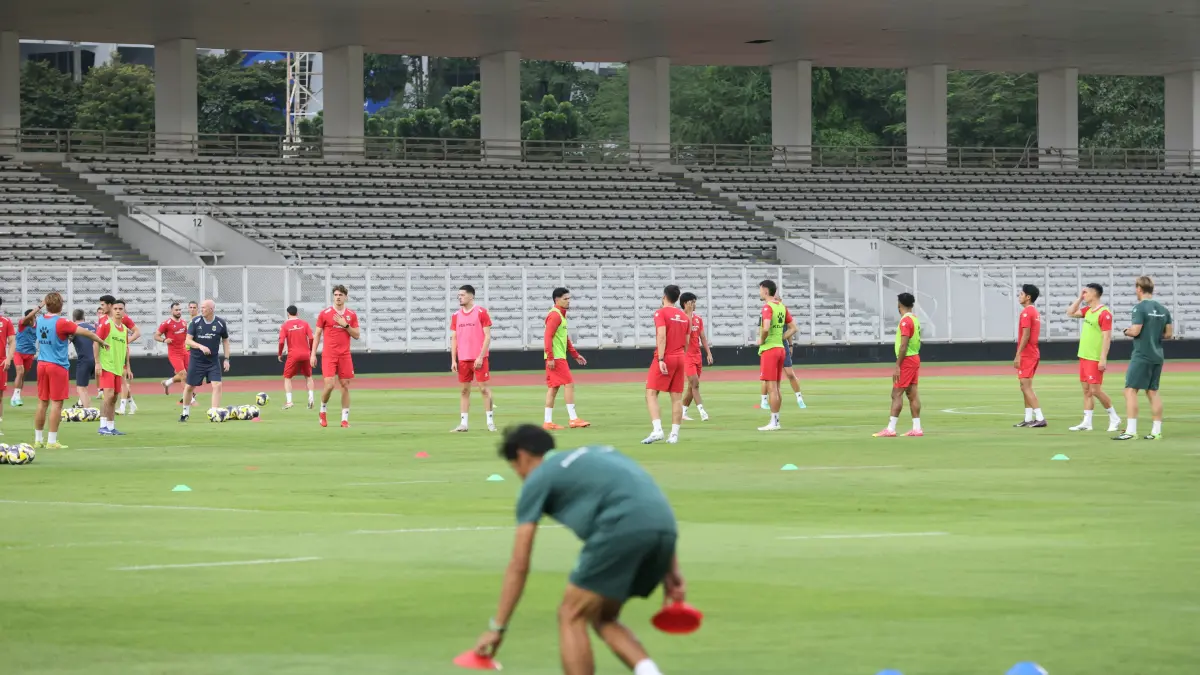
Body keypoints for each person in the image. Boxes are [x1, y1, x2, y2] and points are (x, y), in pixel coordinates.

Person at [471, 425, 684, 675]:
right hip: (665, 527)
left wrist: (498, 627)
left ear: (522, 455)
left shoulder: (539, 477)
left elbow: (519, 563)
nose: (520, 476)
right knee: (603, 618)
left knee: (571, 615)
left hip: (619, 530)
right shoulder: (599, 453)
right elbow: (644, 497)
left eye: (515, 468)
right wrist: (672, 569)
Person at [30, 293, 106, 449]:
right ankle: (52, 441)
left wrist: (39, 306)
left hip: (41, 364)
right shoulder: (62, 322)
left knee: (42, 402)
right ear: (61, 304)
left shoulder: (40, 320)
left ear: (46, 304)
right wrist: (100, 341)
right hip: (57, 366)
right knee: (57, 403)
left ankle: (38, 440)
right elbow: (86, 332)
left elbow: (27, 320)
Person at [1114, 276, 1173, 441]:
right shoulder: (1163, 309)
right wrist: (1153, 333)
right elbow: (1168, 334)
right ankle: (1156, 431)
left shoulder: (1139, 308)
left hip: (1142, 354)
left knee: (1130, 390)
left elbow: (1136, 330)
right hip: (1157, 354)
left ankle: (1131, 430)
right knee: (1153, 392)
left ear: (1139, 288)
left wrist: (1125, 331)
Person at [1067, 283, 1121, 432]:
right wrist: (1079, 298)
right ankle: (1087, 422)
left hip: (1094, 357)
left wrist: (1103, 358)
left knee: (1096, 390)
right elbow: (1070, 313)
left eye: (1086, 293)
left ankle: (1114, 417)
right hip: (1084, 355)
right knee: (1086, 390)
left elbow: (1106, 337)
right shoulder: (1088, 310)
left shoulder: (1104, 313)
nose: (1084, 295)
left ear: (1094, 294)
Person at [642, 285, 690, 445]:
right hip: (680, 357)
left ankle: (657, 430)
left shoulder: (660, 313)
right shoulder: (684, 316)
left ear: (664, 296)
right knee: (676, 397)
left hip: (666, 356)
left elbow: (661, 335)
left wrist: (661, 359)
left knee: (651, 392)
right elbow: (687, 342)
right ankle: (674, 435)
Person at [874, 293, 923, 437]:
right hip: (914, 358)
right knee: (912, 393)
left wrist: (897, 366)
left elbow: (903, 345)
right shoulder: (915, 319)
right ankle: (917, 428)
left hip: (907, 360)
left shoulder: (905, 321)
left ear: (899, 304)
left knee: (896, 393)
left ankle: (890, 428)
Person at [311, 285, 360, 428]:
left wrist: (345, 325)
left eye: (341, 295)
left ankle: (344, 419)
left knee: (345, 385)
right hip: (329, 355)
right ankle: (323, 410)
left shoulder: (351, 315)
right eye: (336, 294)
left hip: (345, 355)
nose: (338, 297)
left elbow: (356, 335)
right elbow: (318, 334)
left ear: (346, 297)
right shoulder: (325, 314)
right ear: (333, 296)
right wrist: (313, 354)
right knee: (330, 385)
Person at [450, 284, 496, 433]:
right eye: (459, 295)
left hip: (479, 358)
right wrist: (453, 360)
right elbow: (454, 338)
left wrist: (481, 356)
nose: (459, 297)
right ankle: (463, 424)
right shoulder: (456, 315)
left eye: (462, 295)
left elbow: (487, 336)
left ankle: (490, 422)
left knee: (483, 389)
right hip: (463, 359)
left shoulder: (481, 312)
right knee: (464, 391)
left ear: (471, 296)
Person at [543, 287, 590, 431]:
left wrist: (575, 354)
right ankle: (573, 418)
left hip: (556, 356)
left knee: (553, 389)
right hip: (556, 358)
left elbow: (565, 339)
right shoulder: (556, 316)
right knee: (569, 384)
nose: (569, 301)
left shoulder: (560, 315)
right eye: (565, 299)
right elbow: (547, 337)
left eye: (569, 298)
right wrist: (550, 357)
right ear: (557, 300)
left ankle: (548, 422)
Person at [180, 299, 231, 422]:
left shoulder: (220, 323)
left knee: (217, 385)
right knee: (189, 387)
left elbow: (225, 340)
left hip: (212, 361)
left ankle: (215, 412)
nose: (201, 309)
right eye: (201, 307)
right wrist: (200, 346)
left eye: (204, 307)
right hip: (196, 360)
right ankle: (185, 412)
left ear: (211, 309)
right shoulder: (195, 322)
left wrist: (227, 359)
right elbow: (188, 340)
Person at [756, 280, 796, 431]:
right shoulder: (781, 306)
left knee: (771, 387)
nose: (760, 293)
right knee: (777, 387)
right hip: (780, 349)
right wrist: (781, 338)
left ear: (766, 291)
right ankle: (776, 420)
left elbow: (765, 327)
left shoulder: (768, 307)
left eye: (760, 290)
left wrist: (762, 339)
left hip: (770, 350)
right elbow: (793, 328)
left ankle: (774, 422)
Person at [759, 293, 806, 411]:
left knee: (789, 374)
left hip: (780, 344)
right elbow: (763, 329)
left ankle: (799, 398)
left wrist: (789, 344)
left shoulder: (782, 310)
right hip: (770, 344)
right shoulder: (768, 311)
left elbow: (791, 328)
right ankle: (764, 400)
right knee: (769, 378)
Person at [97, 295, 141, 415]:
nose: (101, 308)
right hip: (109, 359)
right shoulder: (103, 320)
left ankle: (123, 406)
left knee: (123, 381)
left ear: (109, 305)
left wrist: (124, 342)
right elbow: (98, 340)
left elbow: (137, 332)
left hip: (120, 355)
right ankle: (130, 404)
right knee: (115, 388)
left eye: (103, 305)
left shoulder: (123, 319)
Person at [95, 302, 132, 436]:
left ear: (124, 311)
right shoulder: (106, 325)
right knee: (108, 395)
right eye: (115, 309)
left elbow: (126, 348)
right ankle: (102, 425)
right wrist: (97, 362)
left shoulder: (125, 329)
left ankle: (111, 427)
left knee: (114, 397)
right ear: (112, 310)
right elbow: (96, 342)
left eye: (120, 309)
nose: (117, 311)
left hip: (117, 367)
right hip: (107, 365)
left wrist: (127, 366)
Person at [1013, 284, 1046, 428]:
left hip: (1027, 354)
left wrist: (1018, 354)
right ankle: (1028, 418)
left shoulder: (1027, 312)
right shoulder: (1034, 312)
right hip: (1033, 352)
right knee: (1024, 386)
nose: (1019, 296)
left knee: (1026, 386)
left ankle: (1040, 417)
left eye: (1021, 294)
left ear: (1028, 297)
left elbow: (1025, 334)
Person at [680, 292, 713, 422]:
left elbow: (703, 337)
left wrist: (708, 353)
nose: (694, 305)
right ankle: (702, 411)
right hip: (686, 356)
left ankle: (682, 412)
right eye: (692, 302)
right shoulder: (681, 318)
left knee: (691, 386)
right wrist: (688, 315)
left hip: (697, 356)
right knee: (695, 383)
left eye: (694, 302)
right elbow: (684, 333)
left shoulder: (698, 319)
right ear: (685, 303)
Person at [278, 305, 315, 410]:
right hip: (306, 354)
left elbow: (281, 341)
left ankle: (289, 401)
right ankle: (311, 398)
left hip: (293, 354)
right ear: (297, 313)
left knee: (287, 377)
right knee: (308, 376)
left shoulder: (285, 326)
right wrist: (311, 350)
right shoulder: (305, 324)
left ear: (288, 314)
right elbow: (311, 338)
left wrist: (280, 353)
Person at [155, 302, 190, 396]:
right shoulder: (166, 323)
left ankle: (167, 383)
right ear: (171, 311)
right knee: (183, 375)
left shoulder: (183, 323)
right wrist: (164, 340)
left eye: (179, 310)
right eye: (176, 310)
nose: (178, 312)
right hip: (174, 354)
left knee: (188, 375)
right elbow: (156, 336)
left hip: (184, 352)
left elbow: (187, 337)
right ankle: (190, 398)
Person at [10, 306, 38, 408]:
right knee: (20, 372)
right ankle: (16, 397)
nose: (34, 318)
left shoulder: (37, 326)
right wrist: (39, 307)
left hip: (30, 354)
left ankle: (16, 396)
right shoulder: (22, 324)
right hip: (19, 352)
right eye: (33, 316)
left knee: (23, 376)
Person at [70, 309, 97, 409]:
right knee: (85, 387)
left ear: (73, 318)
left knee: (81, 388)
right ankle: (86, 407)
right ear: (84, 317)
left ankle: (87, 411)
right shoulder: (93, 328)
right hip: (96, 360)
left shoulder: (74, 329)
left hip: (84, 360)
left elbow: (65, 342)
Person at [0, 299, 14, 435]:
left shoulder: (6, 321)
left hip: (1, 363)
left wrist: (9, 358)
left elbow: (12, 341)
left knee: (0, 396)